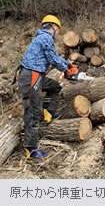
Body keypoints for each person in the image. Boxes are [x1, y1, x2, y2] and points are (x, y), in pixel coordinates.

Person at [17, 14, 75, 160]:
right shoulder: (45, 37)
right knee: (33, 111)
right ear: (54, 27)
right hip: (32, 77)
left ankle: (48, 112)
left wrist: (67, 64)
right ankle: (31, 149)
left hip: (36, 76)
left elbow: (53, 56)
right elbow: (52, 59)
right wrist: (66, 69)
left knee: (54, 87)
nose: (58, 33)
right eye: (58, 30)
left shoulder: (41, 38)